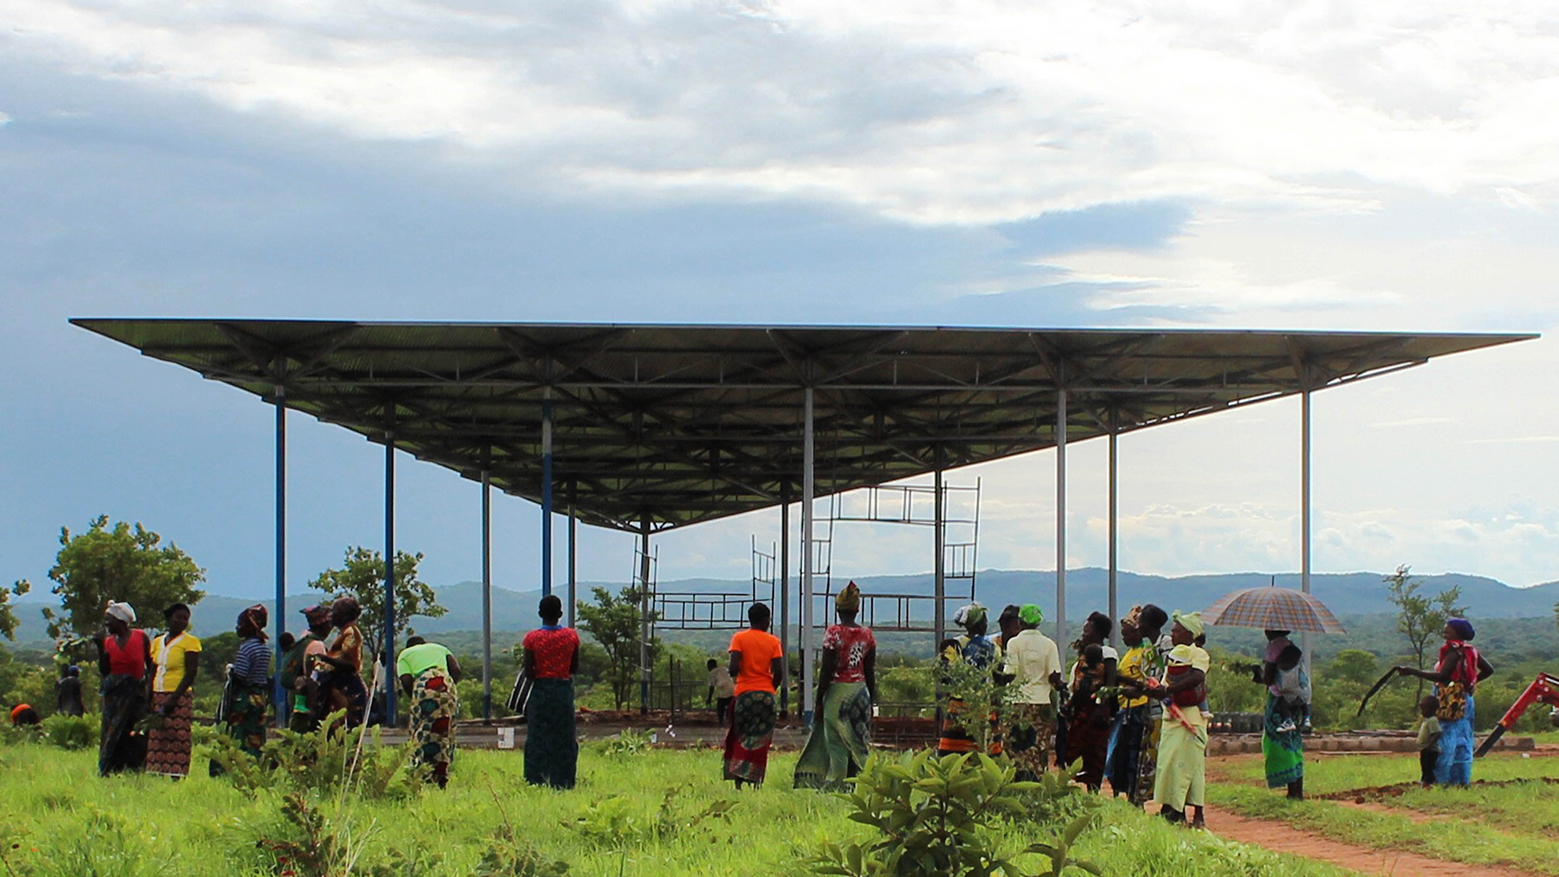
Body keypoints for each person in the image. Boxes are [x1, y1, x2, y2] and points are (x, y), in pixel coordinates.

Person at [795, 582, 877, 790]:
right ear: (857, 609)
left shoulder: (834, 633)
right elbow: (870, 671)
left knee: (837, 742)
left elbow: (826, 670)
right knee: (859, 741)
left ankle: (837, 785)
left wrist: (820, 699)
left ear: (838, 609)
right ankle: (868, 784)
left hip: (838, 693)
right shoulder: (867, 634)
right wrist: (873, 701)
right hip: (860, 692)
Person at [1395, 617, 1494, 786]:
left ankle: (1441, 780)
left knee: (1445, 740)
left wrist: (1412, 671)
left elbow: (1443, 676)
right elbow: (1488, 670)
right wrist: (1469, 684)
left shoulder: (1453, 651)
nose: (1445, 630)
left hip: (1448, 700)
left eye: (1449, 628)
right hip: (1465, 700)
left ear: (1457, 632)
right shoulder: (1470, 651)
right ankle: (1461, 780)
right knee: (1463, 741)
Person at [1150, 611, 1211, 828]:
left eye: (1176, 630)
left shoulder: (1198, 654)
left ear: (1189, 633)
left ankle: (1189, 813)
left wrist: (1169, 689)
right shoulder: (1174, 654)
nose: (1172, 634)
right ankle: (1174, 810)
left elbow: (1197, 676)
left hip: (1190, 719)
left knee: (1188, 768)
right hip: (1173, 718)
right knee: (1171, 766)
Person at [521, 595, 580, 789]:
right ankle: (563, 781)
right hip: (562, 690)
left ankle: (535, 778)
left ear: (540, 614)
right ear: (560, 614)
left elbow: (528, 671)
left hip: (540, 690)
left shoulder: (532, 638)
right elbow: (574, 667)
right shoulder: (571, 636)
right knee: (564, 736)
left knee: (538, 735)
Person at [723, 602, 783, 788]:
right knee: (761, 739)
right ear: (766, 620)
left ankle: (739, 780)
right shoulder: (773, 641)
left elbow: (733, 668)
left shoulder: (739, 638)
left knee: (741, 735)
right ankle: (756, 781)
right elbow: (779, 672)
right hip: (766, 696)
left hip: (744, 695)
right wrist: (769, 688)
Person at [1002, 603, 1063, 781]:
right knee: (1038, 747)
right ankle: (1036, 783)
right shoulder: (1049, 645)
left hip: (1016, 702)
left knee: (1015, 747)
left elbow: (1010, 673)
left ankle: (1016, 783)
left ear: (1020, 622)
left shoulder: (1014, 643)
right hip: (1041, 702)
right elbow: (1054, 675)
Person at [937, 601, 1005, 757]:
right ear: (980, 624)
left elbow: (946, 676)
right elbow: (997, 675)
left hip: (958, 704)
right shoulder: (993, 647)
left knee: (954, 752)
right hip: (984, 704)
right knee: (984, 750)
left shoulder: (953, 645)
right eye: (985, 620)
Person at [1062, 611, 1117, 790]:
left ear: (1099, 633)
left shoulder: (1107, 653)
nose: (1084, 635)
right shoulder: (1085, 655)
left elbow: (1110, 681)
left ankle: (1093, 789)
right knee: (1076, 748)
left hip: (1097, 709)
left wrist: (1103, 707)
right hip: (1080, 709)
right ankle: (1074, 785)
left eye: (1088, 631)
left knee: (1095, 751)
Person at [398, 635, 462, 788]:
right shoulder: (439, 647)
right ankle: (443, 773)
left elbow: (406, 680)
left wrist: (414, 697)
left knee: (423, 729)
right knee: (445, 729)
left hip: (424, 687)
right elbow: (456, 670)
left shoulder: (404, 655)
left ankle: (422, 771)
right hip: (446, 684)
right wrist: (447, 687)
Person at [94, 601, 150, 776]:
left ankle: (135, 768)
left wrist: (149, 690)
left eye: (109, 620)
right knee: (112, 731)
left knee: (134, 731)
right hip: (114, 695)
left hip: (136, 694)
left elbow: (150, 664)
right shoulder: (108, 642)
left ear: (121, 620)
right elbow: (105, 670)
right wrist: (99, 648)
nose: (106, 624)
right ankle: (111, 768)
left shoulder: (140, 637)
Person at [146, 602, 201, 778]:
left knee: (178, 736)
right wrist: (149, 696)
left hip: (179, 696)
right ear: (169, 619)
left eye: (185, 619)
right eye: (178, 618)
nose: (182, 622)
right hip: (158, 693)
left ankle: (177, 774)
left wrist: (173, 699)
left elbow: (191, 673)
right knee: (157, 735)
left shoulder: (190, 643)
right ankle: (157, 771)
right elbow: (152, 671)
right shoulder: (157, 642)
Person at [1105, 606, 1151, 801]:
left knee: (1132, 751)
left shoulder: (1145, 653)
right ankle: (1121, 789)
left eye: (1127, 634)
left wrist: (1122, 680)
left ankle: (1133, 792)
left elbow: (1146, 681)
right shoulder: (1129, 652)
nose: (1124, 638)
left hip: (1138, 706)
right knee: (1120, 752)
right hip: (1125, 706)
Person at [222, 604, 272, 761]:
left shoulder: (246, 648)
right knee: (255, 732)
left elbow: (242, 676)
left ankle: (235, 762)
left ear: (251, 626)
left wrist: (231, 671)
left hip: (244, 697)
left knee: (237, 731)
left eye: (241, 624)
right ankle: (255, 761)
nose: (237, 628)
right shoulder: (264, 647)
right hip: (259, 696)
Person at [317, 597, 369, 728]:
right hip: (342, 686)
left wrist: (325, 658)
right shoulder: (344, 633)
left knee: (348, 730)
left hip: (349, 689)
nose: (331, 616)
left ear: (344, 615)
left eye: (335, 612)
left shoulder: (351, 633)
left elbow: (351, 666)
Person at [284, 604, 334, 733]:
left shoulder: (304, 639)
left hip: (297, 697)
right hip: (306, 701)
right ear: (324, 626)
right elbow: (314, 677)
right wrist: (314, 707)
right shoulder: (316, 646)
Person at [1416, 695, 1442, 789]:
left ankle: (1429, 782)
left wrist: (1429, 745)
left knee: (1428, 767)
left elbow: (1437, 733)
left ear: (1432, 709)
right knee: (1424, 766)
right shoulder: (1427, 720)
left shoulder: (1433, 720)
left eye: (1424, 709)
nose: (1422, 712)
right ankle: (1424, 781)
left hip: (1430, 750)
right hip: (1425, 749)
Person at [706, 658, 735, 723]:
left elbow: (712, 686)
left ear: (710, 666)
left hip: (724, 689)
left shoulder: (712, 673)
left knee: (720, 705)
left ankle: (721, 721)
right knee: (731, 705)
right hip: (732, 688)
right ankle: (731, 720)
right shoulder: (724, 669)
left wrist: (709, 698)